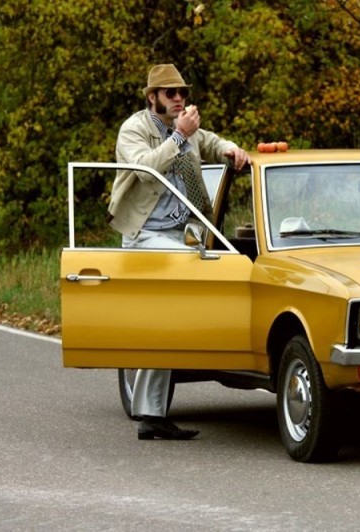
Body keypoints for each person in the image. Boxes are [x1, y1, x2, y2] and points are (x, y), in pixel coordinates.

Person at [109, 64, 250, 440]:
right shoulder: (135, 128)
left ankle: (151, 415)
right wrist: (178, 138)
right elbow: (142, 170)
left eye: (183, 93)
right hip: (144, 235)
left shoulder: (189, 131)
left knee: (168, 324)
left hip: (180, 233)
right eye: (170, 93)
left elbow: (211, 141)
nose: (178, 99)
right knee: (193, 269)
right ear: (152, 96)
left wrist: (231, 149)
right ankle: (151, 408)